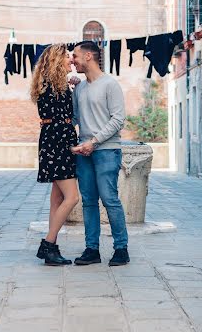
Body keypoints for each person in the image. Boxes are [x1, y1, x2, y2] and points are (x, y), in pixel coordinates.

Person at [71, 41, 129, 266]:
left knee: (109, 199)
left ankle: (121, 248)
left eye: (75, 56)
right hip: (83, 152)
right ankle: (91, 249)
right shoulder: (79, 88)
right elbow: (76, 118)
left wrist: (94, 142)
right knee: (88, 202)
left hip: (106, 150)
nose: (72, 61)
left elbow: (118, 120)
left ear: (88, 57)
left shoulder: (110, 85)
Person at [30, 43, 79, 266]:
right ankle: (48, 244)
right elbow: (65, 116)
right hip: (59, 141)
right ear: (57, 60)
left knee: (56, 200)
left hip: (51, 139)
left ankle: (52, 250)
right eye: (67, 57)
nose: (71, 60)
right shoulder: (56, 87)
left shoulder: (51, 84)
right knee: (72, 198)